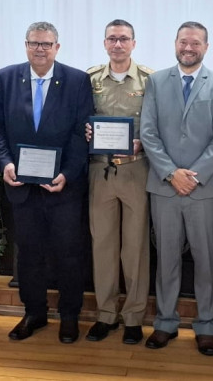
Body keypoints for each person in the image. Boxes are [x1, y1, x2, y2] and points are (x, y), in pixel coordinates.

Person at [0, 22, 94, 344]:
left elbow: (81, 133)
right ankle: (34, 312)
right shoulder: (7, 77)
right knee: (29, 253)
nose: (40, 49)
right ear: (25, 45)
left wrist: (68, 174)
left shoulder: (76, 80)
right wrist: (5, 162)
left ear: (57, 47)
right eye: (35, 43)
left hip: (63, 187)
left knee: (68, 253)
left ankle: (70, 315)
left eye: (47, 44)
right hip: (22, 188)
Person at [140, 21, 213, 356]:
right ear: (175, 43)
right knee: (166, 259)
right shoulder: (155, 81)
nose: (189, 47)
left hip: (204, 190)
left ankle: (206, 327)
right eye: (183, 41)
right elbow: (148, 132)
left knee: (206, 260)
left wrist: (192, 176)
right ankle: (165, 323)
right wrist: (170, 173)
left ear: (206, 47)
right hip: (165, 188)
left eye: (195, 42)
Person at [85, 19, 153, 345]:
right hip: (100, 171)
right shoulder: (89, 79)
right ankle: (106, 314)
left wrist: (144, 142)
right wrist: (86, 132)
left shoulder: (151, 80)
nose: (117, 44)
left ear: (133, 43)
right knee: (103, 245)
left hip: (136, 170)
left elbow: (158, 125)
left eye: (124, 38)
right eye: (112, 38)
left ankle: (134, 316)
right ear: (104, 42)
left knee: (135, 247)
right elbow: (78, 117)